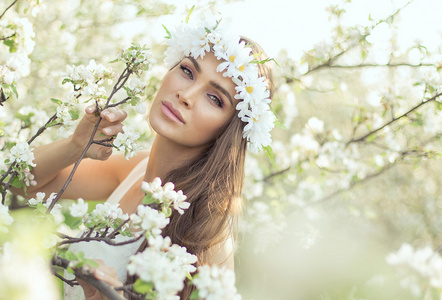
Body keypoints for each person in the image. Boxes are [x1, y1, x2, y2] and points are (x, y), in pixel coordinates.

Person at [16, 13, 275, 299]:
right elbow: (22, 183)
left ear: (227, 130)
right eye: (188, 71)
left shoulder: (209, 232)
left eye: (215, 99)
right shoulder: (135, 167)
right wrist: (75, 146)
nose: (186, 94)